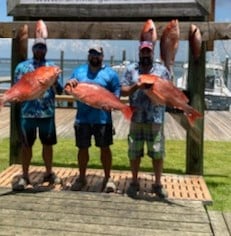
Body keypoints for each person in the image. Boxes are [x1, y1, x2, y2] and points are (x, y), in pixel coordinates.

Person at [65, 46, 120, 193]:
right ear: (88, 56)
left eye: (97, 54)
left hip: (103, 119)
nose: (94, 56)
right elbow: (67, 87)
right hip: (82, 119)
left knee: (105, 148)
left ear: (102, 56)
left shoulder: (111, 74)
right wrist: (70, 83)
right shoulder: (79, 71)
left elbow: (116, 93)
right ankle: (82, 177)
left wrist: (113, 104)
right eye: (92, 53)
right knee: (82, 149)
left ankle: (108, 178)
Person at [120, 41, 170, 198]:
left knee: (157, 152)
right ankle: (134, 182)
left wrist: (154, 89)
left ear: (152, 53)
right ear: (139, 53)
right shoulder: (131, 70)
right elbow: (123, 91)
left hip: (155, 118)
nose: (146, 54)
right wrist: (137, 85)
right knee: (134, 151)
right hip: (136, 117)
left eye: (148, 51)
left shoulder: (162, 70)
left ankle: (157, 184)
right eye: (143, 52)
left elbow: (168, 91)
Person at [12, 38, 63, 191]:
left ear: (46, 49)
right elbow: (17, 88)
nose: (40, 50)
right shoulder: (22, 67)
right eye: (37, 47)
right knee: (26, 145)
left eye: (42, 47)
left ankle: (48, 172)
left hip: (47, 113)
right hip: (27, 113)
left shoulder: (52, 67)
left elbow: (60, 90)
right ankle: (25, 175)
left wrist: (54, 81)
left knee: (48, 145)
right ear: (33, 49)